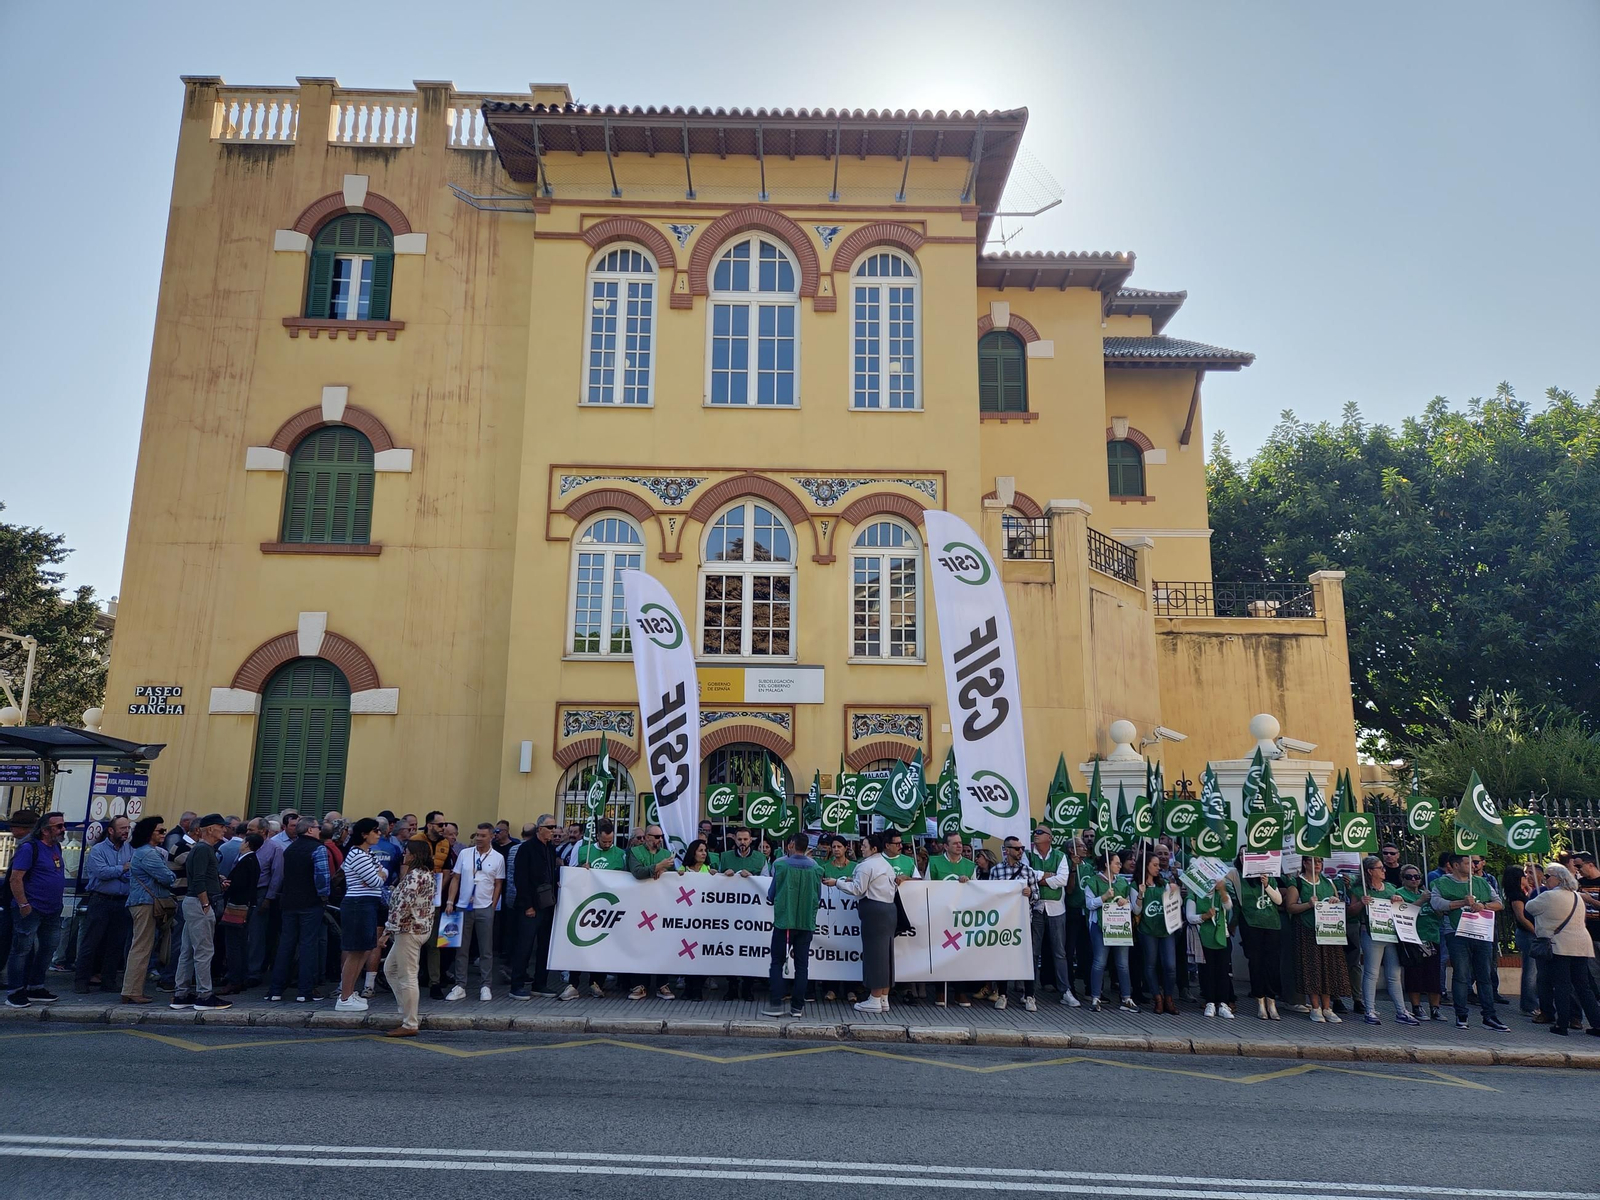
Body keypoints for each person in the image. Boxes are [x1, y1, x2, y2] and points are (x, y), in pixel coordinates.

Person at [1432, 851, 1509, 1031]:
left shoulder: (1481, 883)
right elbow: (1436, 904)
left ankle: (1489, 1016)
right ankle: (1461, 1015)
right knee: (1461, 974)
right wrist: (1461, 902)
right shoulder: (1442, 883)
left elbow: (1499, 903)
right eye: (1468, 863)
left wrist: (1484, 905)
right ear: (1456, 865)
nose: (1473, 866)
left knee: (1485, 974)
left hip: (1481, 932)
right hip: (1456, 932)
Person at [826, 829, 898, 1013]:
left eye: (864, 846)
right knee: (886, 955)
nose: (861, 849)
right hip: (888, 910)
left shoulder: (867, 865)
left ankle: (874, 999)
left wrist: (837, 883)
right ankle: (883, 998)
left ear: (874, 848)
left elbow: (858, 890)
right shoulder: (885, 864)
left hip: (875, 911)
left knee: (875, 956)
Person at [1526, 863, 1600, 1037]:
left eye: (1547, 877)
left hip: (1560, 946)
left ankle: (1562, 1024)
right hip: (1581, 946)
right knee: (1584, 987)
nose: (1545, 880)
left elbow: (1529, 907)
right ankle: (1597, 1024)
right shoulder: (1577, 897)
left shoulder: (1549, 896)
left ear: (1558, 879)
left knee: (1561, 985)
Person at [5, 811, 67, 1009]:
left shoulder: (56, 847)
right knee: (21, 949)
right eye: (58, 826)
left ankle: (35, 986)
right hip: (31, 908)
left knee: (48, 948)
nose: (63, 829)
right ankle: (15, 991)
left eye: (63, 825)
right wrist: (23, 904)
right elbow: (16, 878)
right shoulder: (29, 848)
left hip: (52, 909)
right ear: (45, 830)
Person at [1348, 854, 1418, 1027]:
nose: (1384, 871)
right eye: (1380, 868)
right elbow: (1351, 912)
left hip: (1390, 934)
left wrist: (1398, 900)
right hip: (1371, 933)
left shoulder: (1390, 888)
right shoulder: (1360, 890)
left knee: (1394, 974)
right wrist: (1361, 904)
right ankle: (1369, 1009)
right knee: (1372, 973)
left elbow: (1401, 908)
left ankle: (1401, 1011)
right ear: (1370, 871)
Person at [269, 816, 330, 1003]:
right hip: (310, 904)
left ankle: (275, 990)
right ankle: (305, 991)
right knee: (308, 946)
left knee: (285, 946)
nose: (320, 830)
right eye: (318, 827)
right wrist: (324, 896)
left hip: (289, 903)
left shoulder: (290, 849)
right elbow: (322, 878)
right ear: (310, 830)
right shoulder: (318, 848)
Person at [172, 813, 229, 1011]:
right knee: (204, 951)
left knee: (187, 950)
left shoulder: (200, 849)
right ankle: (205, 995)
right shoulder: (204, 849)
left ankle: (181, 994)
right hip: (199, 903)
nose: (224, 830)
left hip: (193, 903)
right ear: (210, 829)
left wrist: (217, 882)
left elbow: (202, 876)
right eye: (221, 826)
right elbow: (198, 880)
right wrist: (206, 904)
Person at [380, 839, 437, 1037]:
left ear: (414, 855)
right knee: (391, 969)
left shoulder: (414, 876)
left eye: (406, 852)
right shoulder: (426, 874)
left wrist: (386, 932)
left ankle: (410, 1022)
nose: (404, 855)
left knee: (407, 976)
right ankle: (406, 1011)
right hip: (416, 928)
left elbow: (402, 907)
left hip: (408, 930)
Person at [763, 832, 822, 1018]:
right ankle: (797, 1007)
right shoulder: (816, 869)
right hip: (805, 922)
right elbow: (817, 897)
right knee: (802, 966)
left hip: (784, 921)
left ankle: (775, 1004)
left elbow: (771, 894)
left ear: (791, 845)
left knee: (777, 962)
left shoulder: (780, 865)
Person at [445, 822, 505, 1001]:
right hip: (463, 906)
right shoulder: (465, 853)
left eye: (483, 835)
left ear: (491, 836)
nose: (479, 838)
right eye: (477, 835)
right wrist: (450, 901)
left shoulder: (497, 858)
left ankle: (486, 985)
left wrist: (492, 906)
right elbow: (456, 878)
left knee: (486, 949)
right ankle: (460, 985)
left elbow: (498, 883)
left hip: (484, 906)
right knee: (460, 948)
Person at [74, 814, 133, 995]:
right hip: (101, 900)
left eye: (127, 828)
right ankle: (81, 981)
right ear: (111, 830)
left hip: (122, 901)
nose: (126, 831)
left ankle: (109, 980)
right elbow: (101, 872)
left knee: (115, 944)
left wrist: (121, 871)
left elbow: (133, 872)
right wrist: (122, 868)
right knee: (91, 942)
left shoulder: (130, 849)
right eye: (122, 828)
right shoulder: (98, 850)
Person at [333, 818, 387, 1011]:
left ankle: (349, 993)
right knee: (356, 951)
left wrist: (379, 875)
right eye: (375, 831)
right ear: (364, 834)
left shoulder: (367, 854)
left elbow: (384, 872)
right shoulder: (358, 854)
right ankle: (345, 996)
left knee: (364, 949)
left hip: (367, 903)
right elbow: (376, 880)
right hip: (358, 904)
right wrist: (378, 876)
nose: (379, 834)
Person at [1286, 856, 1349, 1023]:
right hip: (1307, 930)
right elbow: (1290, 907)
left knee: (1327, 968)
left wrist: (1335, 901)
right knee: (1311, 968)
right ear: (1305, 863)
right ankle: (1315, 1007)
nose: (1318, 864)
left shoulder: (1328, 882)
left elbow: (1337, 902)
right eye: (1313, 861)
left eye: (1320, 861)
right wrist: (1308, 904)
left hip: (1328, 930)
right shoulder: (1297, 883)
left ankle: (1327, 1007)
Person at [121, 816, 176, 1005]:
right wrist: (170, 873)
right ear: (149, 833)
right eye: (160, 831)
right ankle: (132, 990)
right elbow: (168, 877)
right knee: (142, 947)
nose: (164, 834)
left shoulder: (144, 852)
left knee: (141, 946)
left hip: (143, 902)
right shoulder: (149, 854)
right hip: (145, 903)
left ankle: (132, 989)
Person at [509, 815, 562, 1001]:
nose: (553, 830)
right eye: (550, 827)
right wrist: (528, 905)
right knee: (525, 945)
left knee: (545, 946)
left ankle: (540, 983)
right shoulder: (526, 849)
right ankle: (516, 985)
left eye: (555, 826)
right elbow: (521, 879)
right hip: (530, 906)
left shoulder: (551, 849)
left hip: (547, 904)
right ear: (540, 828)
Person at [1028, 827, 1080, 1007]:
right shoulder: (1028, 854)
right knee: (1033, 952)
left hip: (1057, 909)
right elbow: (1027, 875)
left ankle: (1065, 991)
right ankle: (1030, 992)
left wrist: (1039, 878)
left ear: (1049, 837)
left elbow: (1063, 880)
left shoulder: (1060, 856)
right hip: (1035, 907)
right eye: (1035, 831)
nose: (1035, 833)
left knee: (1060, 952)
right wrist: (1048, 876)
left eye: (1040, 832)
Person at [626, 824, 678, 1001]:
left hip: (661, 906)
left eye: (660, 836)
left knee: (662, 943)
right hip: (639, 906)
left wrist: (664, 869)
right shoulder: (635, 852)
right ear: (647, 837)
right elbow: (637, 872)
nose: (659, 840)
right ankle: (640, 984)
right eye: (655, 837)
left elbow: (674, 877)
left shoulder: (666, 855)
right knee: (640, 944)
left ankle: (662, 984)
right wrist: (657, 867)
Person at [987, 835, 1039, 1011]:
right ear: (1007, 850)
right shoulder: (996, 871)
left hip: (1023, 921)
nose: (1021, 851)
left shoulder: (1028, 871)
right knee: (1004, 957)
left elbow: (1037, 895)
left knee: (1027, 958)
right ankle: (1002, 994)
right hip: (1003, 921)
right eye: (1017, 848)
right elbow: (990, 894)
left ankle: (1030, 995)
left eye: (1022, 848)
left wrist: (1030, 892)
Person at [928, 831, 976, 1007]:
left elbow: (977, 891)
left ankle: (960, 992)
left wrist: (968, 883)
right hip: (940, 914)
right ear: (945, 846)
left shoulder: (970, 866)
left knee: (959, 954)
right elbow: (927, 886)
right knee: (941, 953)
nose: (959, 845)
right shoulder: (934, 862)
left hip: (961, 917)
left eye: (960, 843)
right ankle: (940, 991)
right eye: (954, 843)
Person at [1085, 851, 1135, 1013]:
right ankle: (1095, 997)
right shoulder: (1093, 882)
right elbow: (1089, 904)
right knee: (1099, 962)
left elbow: (1131, 905)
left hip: (1119, 928)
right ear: (1107, 864)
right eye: (1117, 863)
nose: (1120, 866)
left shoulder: (1121, 883)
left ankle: (1126, 998)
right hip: (1099, 926)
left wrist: (1126, 901)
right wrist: (1104, 897)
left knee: (1123, 964)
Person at [1234, 863, 1284, 1020]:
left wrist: (1267, 884)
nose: (1244, 857)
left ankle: (1271, 1001)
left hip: (1271, 925)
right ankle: (1260, 1001)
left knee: (1272, 964)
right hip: (1251, 925)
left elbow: (1279, 900)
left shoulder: (1269, 877)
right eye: (1241, 855)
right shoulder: (1238, 877)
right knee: (1256, 963)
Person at [1395, 864, 1443, 1020]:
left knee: (1433, 975)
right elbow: (1403, 913)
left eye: (1417, 877)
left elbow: (1439, 914)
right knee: (1414, 974)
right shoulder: (1399, 894)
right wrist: (1421, 901)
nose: (1414, 879)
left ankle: (1435, 1008)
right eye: (1409, 877)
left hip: (1431, 937)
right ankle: (1416, 1007)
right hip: (1413, 937)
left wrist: (1434, 903)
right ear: (1403, 879)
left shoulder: (1427, 894)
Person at [1135, 852, 1181, 1015]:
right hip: (1148, 930)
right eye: (1154, 865)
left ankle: (1169, 997)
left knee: (1170, 965)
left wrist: (1175, 893)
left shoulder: (1164, 883)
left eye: (1158, 865)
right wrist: (1140, 895)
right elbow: (1136, 910)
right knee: (1150, 964)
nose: (1158, 868)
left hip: (1165, 928)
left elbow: (1175, 905)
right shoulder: (1137, 885)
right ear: (1145, 866)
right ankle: (1158, 998)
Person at [218, 832, 262, 995]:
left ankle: (234, 979)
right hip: (244, 905)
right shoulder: (250, 860)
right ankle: (239, 978)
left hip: (239, 906)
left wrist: (228, 884)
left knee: (234, 943)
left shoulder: (247, 861)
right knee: (240, 942)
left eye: (243, 841)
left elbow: (240, 885)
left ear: (247, 844)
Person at [674, 840, 719, 1001]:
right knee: (687, 955)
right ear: (693, 852)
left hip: (704, 921)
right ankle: (688, 988)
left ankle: (697, 989)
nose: (704, 853)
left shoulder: (709, 871)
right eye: (700, 850)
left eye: (705, 850)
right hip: (687, 921)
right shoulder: (683, 870)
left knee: (700, 956)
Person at [1188, 874, 1234, 1018]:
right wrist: (1204, 916)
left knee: (1223, 971)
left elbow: (1228, 906)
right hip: (1204, 937)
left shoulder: (1219, 894)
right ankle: (1210, 1002)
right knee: (1207, 971)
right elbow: (1190, 917)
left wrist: (1222, 890)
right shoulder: (1194, 894)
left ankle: (1223, 1003)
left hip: (1222, 936)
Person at [1503, 861, 1541, 1017]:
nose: (1527, 877)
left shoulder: (1525, 892)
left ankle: (1533, 1002)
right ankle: (1529, 1004)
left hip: (1529, 933)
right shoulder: (1516, 896)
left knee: (1534, 969)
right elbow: (1522, 917)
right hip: (1527, 934)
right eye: (1524, 876)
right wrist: (1536, 931)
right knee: (1530, 970)